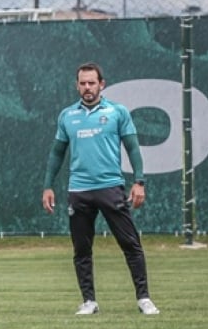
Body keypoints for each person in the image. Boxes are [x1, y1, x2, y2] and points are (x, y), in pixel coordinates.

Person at [41, 62, 158, 316]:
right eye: (82, 83)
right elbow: (56, 153)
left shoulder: (117, 112)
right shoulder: (67, 116)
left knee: (130, 244)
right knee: (81, 249)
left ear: (101, 84)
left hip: (110, 188)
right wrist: (48, 186)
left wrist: (139, 181)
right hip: (79, 191)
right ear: (77, 86)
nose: (87, 88)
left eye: (91, 83)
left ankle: (144, 298)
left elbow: (133, 148)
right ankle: (89, 301)